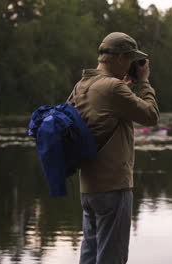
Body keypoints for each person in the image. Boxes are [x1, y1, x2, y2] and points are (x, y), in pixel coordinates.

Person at [67, 32, 159, 264]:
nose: (131, 66)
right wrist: (145, 81)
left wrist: (125, 87)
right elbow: (150, 116)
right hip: (114, 187)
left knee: (90, 255)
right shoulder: (113, 88)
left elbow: (99, 116)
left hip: (89, 187)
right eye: (130, 59)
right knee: (112, 258)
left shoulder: (83, 85)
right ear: (118, 58)